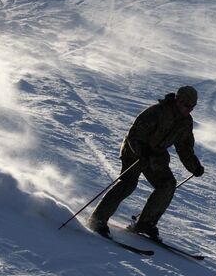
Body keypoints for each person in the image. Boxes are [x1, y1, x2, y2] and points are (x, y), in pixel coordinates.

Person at [87, 86, 204, 240]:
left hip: (155, 157)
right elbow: (134, 134)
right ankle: (98, 219)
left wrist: (194, 166)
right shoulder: (157, 112)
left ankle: (145, 223)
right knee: (128, 183)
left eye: (192, 107)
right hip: (134, 152)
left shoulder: (185, 122)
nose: (189, 110)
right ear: (178, 100)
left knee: (167, 184)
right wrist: (141, 151)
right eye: (187, 105)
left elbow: (185, 148)